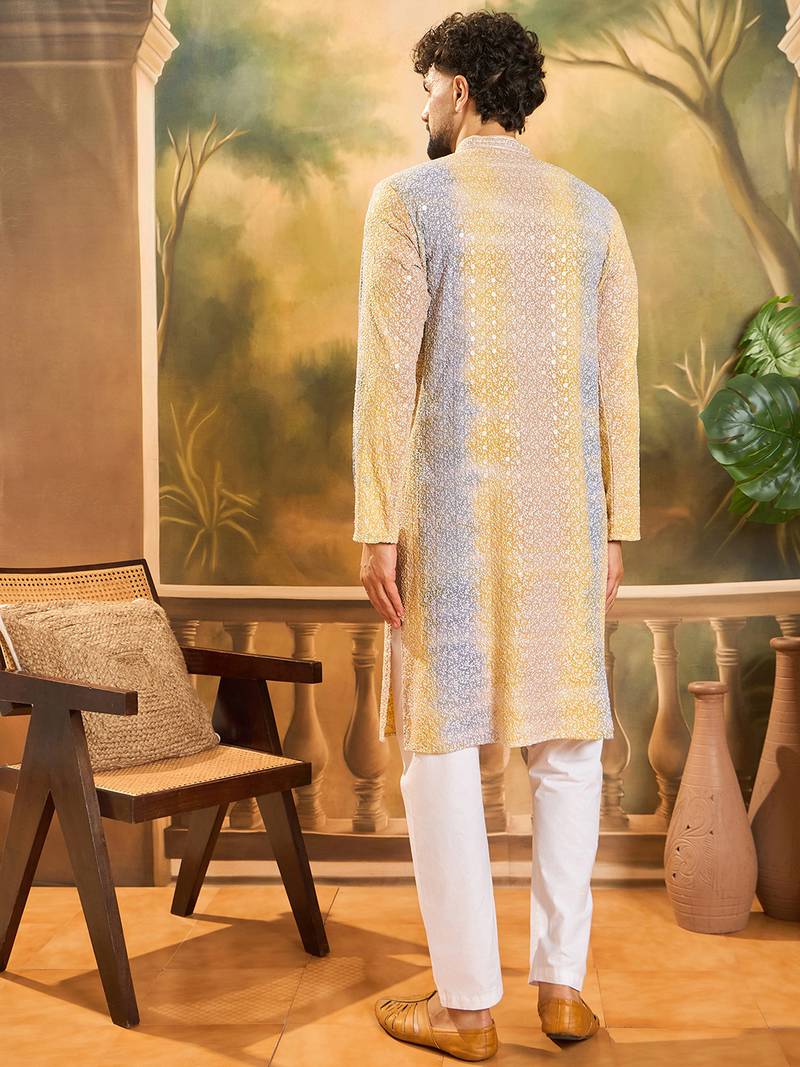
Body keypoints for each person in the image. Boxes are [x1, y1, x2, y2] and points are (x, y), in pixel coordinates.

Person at [351, 9, 640, 1061]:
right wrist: (618, 527)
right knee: (568, 747)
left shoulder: (408, 201)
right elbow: (617, 389)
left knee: (440, 749)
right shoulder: (593, 214)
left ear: (463, 89)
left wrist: (374, 524)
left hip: (449, 516)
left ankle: (467, 1006)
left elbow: (386, 379)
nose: (424, 106)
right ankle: (560, 989)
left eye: (429, 86)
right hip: (568, 522)